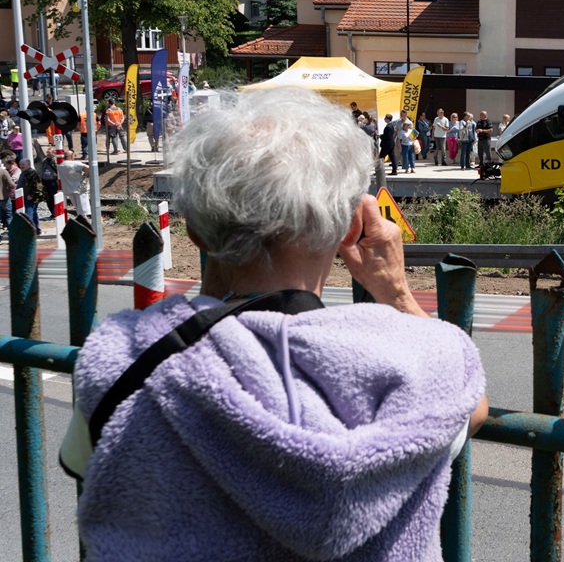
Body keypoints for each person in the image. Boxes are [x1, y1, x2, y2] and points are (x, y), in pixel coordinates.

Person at [61, 85, 487, 561]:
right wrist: (396, 290)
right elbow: (473, 406)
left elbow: (87, 462)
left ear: (196, 232)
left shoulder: (125, 355)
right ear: (351, 228)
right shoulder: (419, 359)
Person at [57, 150, 91, 219]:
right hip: (79, 188)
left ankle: (81, 218)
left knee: (77, 206)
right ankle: (84, 220)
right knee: (83, 207)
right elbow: (87, 167)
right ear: (72, 156)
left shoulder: (60, 166)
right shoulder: (75, 164)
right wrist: (85, 175)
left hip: (68, 189)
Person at [16, 159, 42, 233]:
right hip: (24, 197)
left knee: (28, 214)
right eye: (20, 164)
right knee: (33, 213)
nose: (21, 166)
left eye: (23, 164)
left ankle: (28, 231)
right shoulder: (23, 173)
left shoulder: (32, 173)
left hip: (31, 198)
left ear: (28, 165)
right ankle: (36, 229)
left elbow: (37, 186)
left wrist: (31, 194)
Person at [0, 152, 15, 234]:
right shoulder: (3, 172)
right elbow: (11, 184)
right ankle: (12, 234)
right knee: (9, 216)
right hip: (4, 197)